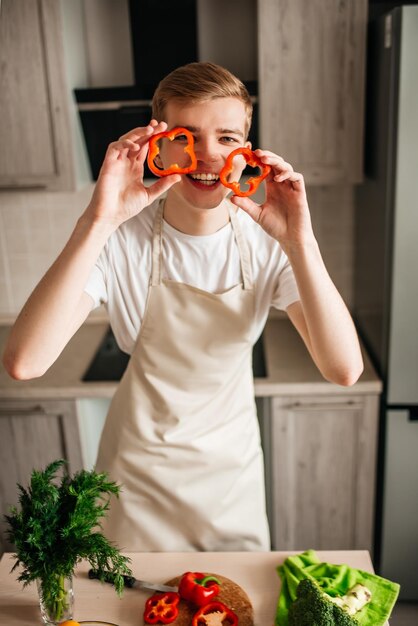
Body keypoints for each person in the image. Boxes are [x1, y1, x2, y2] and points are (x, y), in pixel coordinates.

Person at [3, 62, 363, 552]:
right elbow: (26, 362)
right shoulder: (117, 240)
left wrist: (300, 240)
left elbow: (343, 369)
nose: (209, 155)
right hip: (136, 475)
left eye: (227, 137)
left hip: (229, 475)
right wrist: (98, 218)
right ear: (159, 146)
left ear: (246, 151)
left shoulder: (268, 246)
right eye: (186, 135)